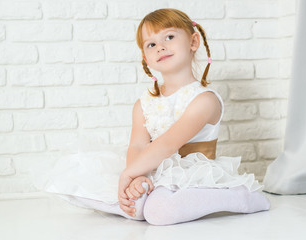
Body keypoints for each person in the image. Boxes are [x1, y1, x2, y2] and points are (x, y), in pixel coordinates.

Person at [32, 8, 270, 226]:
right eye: (151, 44)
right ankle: (140, 201)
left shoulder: (204, 100)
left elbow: (168, 144)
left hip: (192, 174)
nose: (160, 47)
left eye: (169, 37)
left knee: (158, 212)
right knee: (133, 206)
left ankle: (238, 197)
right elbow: (137, 144)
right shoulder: (143, 104)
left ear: (193, 41)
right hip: (152, 169)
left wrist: (129, 174)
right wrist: (137, 177)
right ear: (146, 58)